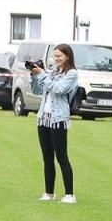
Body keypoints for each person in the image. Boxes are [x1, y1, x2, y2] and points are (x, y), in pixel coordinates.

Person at [30, 43, 79, 204]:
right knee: (47, 157)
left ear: (68, 57)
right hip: (44, 117)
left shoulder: (71, 74)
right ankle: (49, 192)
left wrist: (42, 74)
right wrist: (34, 74)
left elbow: (58, 89)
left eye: (60, 56)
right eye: (55, 56)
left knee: (61, 156)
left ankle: (70, 194)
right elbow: (38, 90)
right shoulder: (51, 72)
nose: (56, 59)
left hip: (58, 119)